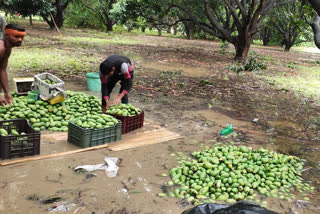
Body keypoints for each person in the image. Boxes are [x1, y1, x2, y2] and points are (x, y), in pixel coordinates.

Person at [0, 23, 26, 105]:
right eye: (16, 36)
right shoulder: (1, 49)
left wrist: (8, 93)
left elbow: (2, 70)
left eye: (22, 37)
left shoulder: (8, 49)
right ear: (7, 35)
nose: (20, 40)